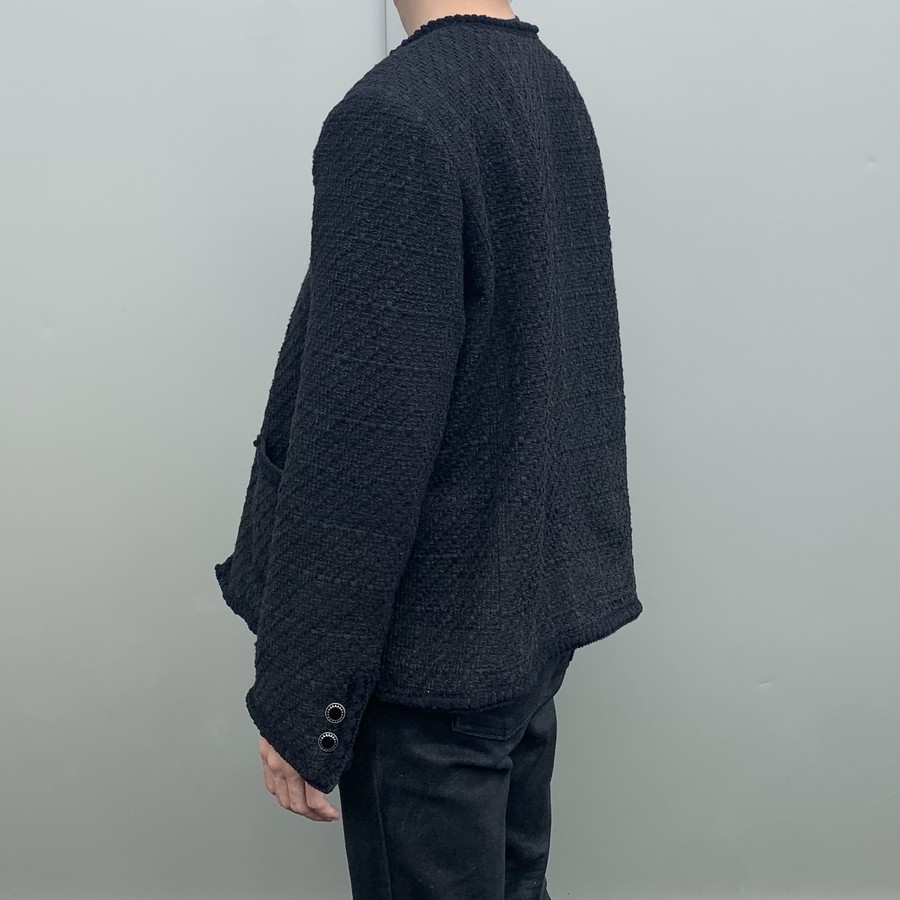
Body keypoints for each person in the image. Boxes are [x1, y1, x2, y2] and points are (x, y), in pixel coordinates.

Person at [213, 1, 643, 896]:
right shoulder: (546, 86)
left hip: (432, 667)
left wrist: (306, 696)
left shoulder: (394, 116)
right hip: (515, 639)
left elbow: (361, 446)